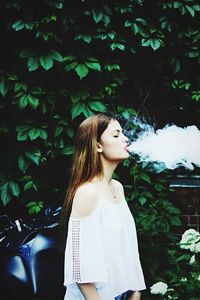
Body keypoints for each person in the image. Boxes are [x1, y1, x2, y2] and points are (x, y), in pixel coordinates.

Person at [60, 113, 146, 300]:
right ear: (98, 145)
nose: (125, 139)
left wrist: (136, 291)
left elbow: (128, 249)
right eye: (116, 135)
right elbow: (80, 268)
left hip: (122, 293)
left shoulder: (117, 188)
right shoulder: (87, 193)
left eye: (122, 134)